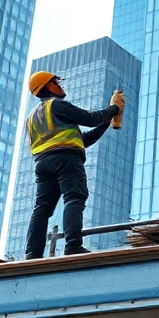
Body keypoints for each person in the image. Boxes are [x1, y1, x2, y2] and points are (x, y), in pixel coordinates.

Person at [23, 71, 125, 259]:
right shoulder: (57, 105)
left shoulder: (32, 117)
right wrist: (113, 108)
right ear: (47, 86)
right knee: (74, 198)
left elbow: (83, 140)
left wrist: (107, 122)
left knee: (42, 209)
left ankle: (32, 254)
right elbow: (91, 118)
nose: (60, 85)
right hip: (66, 160)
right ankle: (73, 245)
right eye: (55, 82)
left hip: (43, 165)